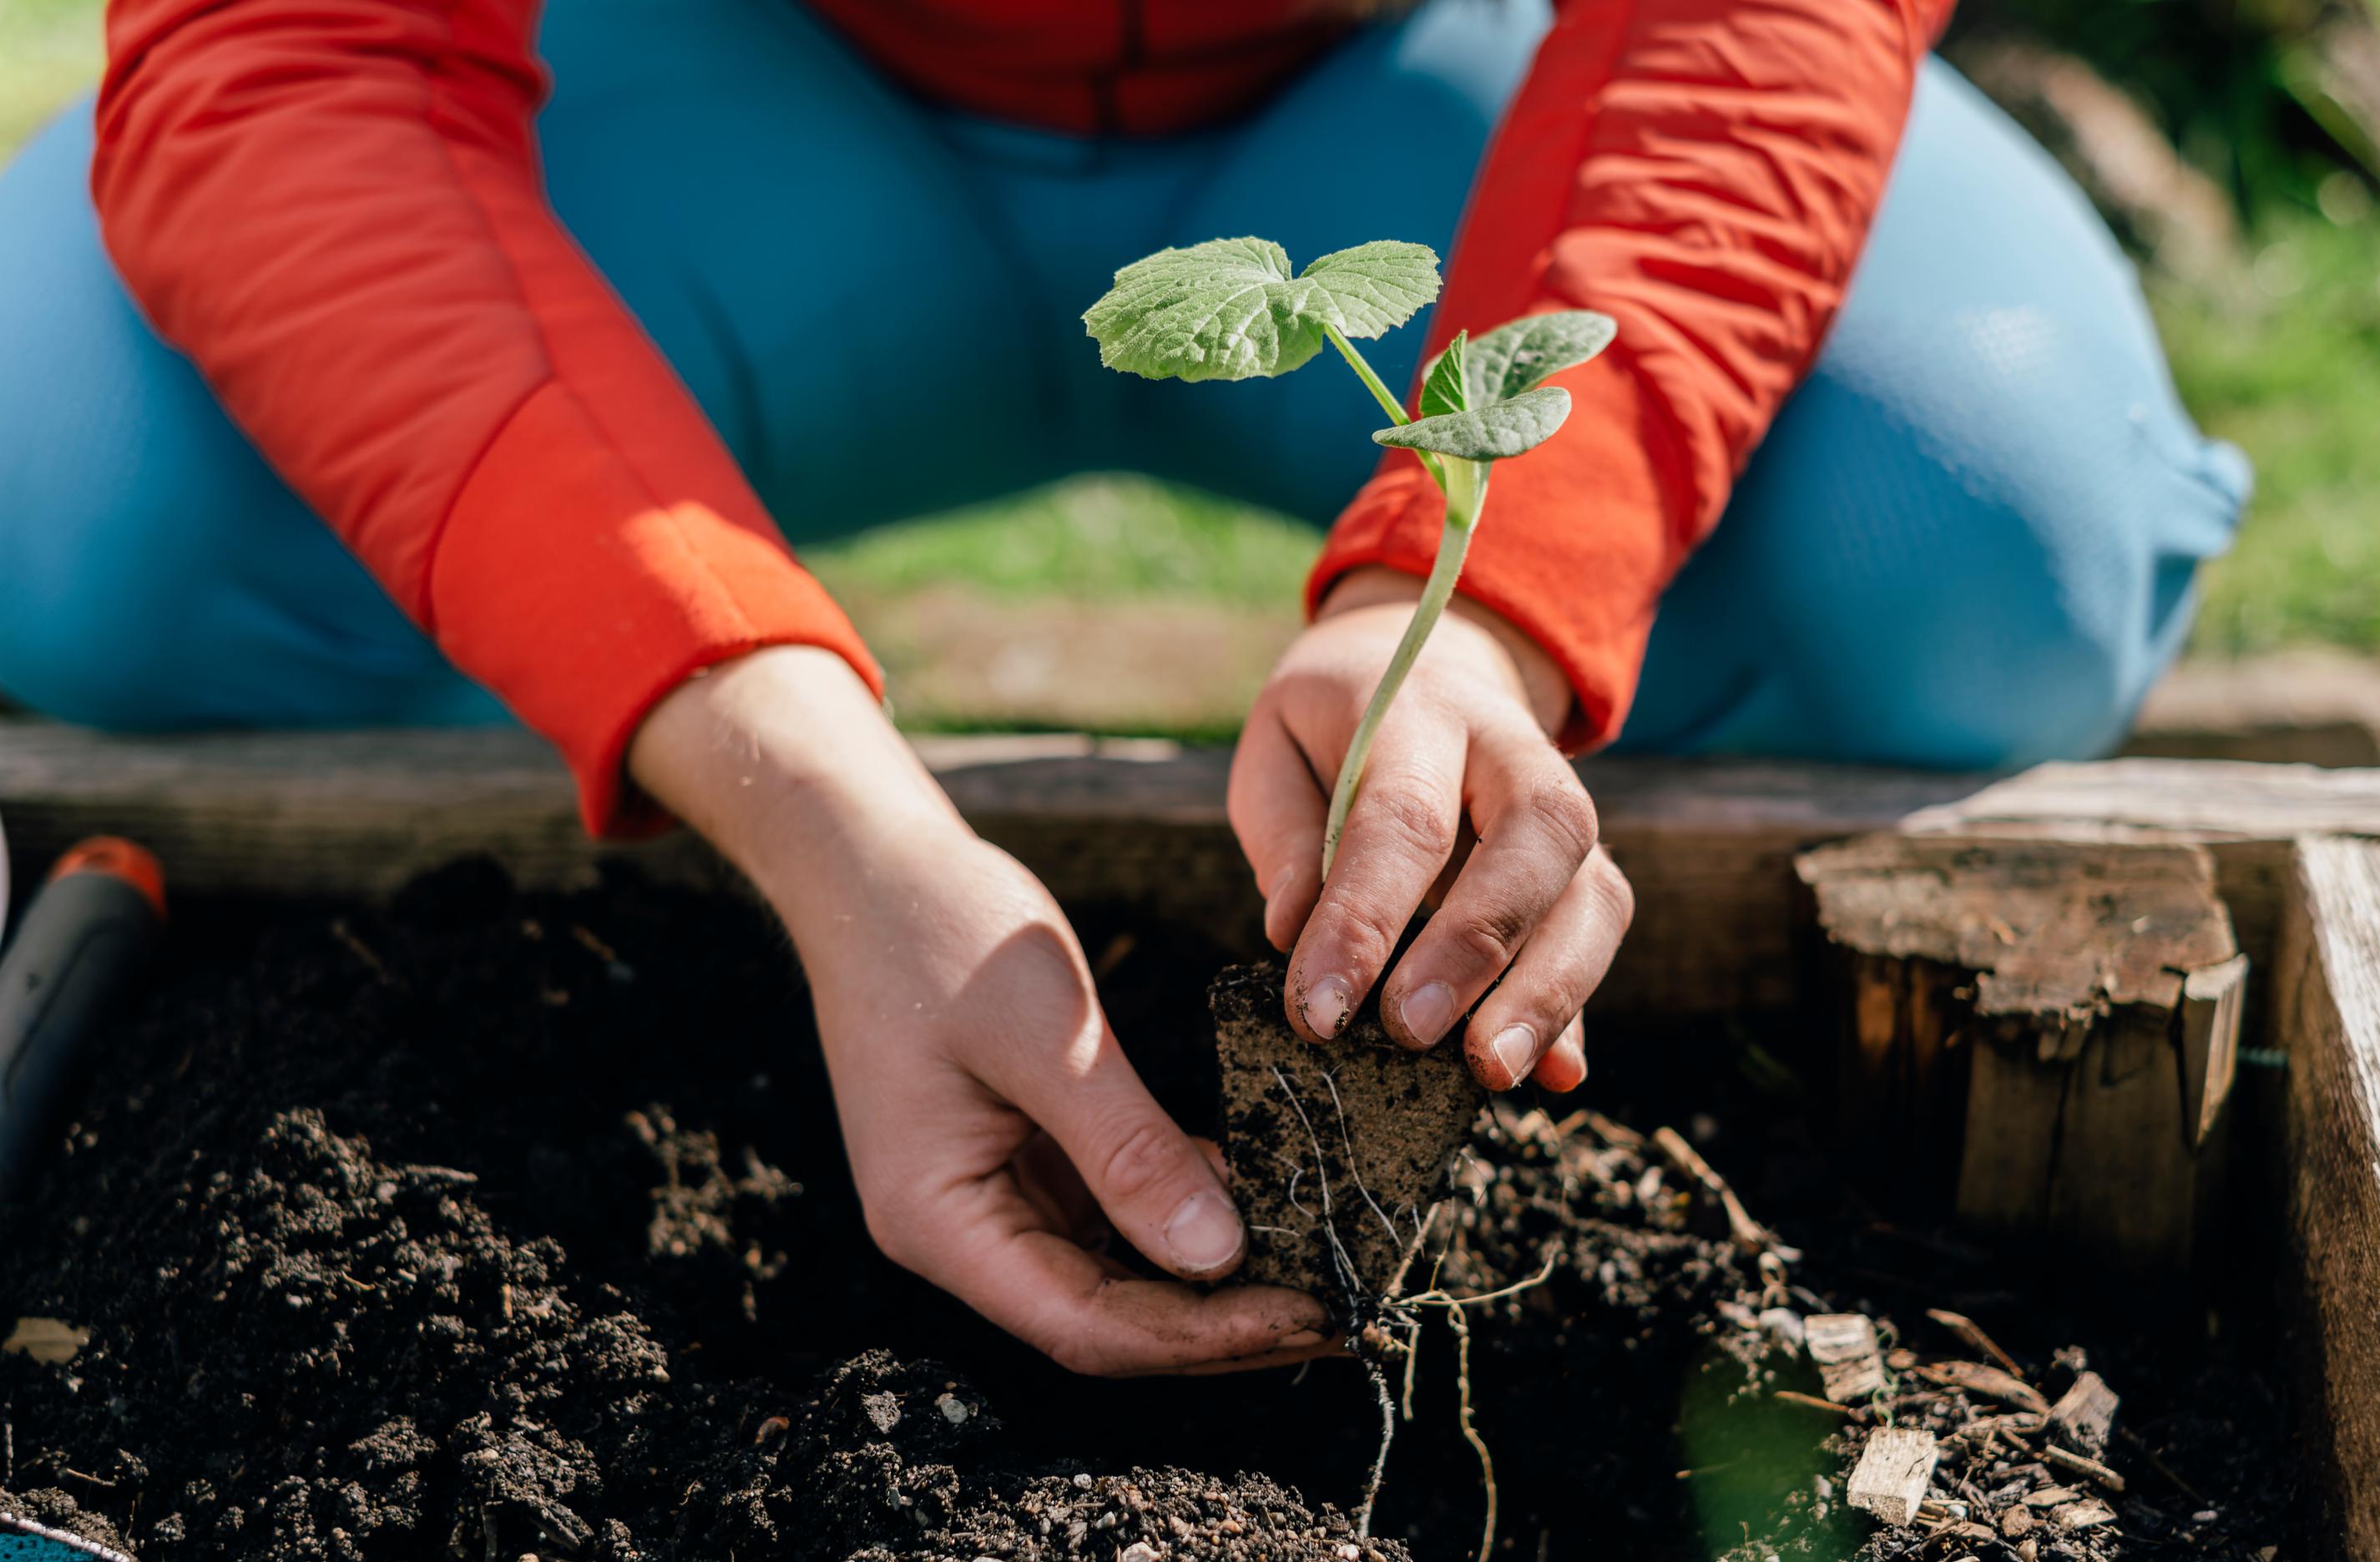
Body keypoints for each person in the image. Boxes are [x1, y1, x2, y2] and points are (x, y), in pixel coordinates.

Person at [0, 0, 2247, 1377]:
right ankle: (497, 920)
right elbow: (291, 59)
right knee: (74, 495)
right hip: (731, 103)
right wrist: (793, 784)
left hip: (1399, 102)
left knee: (1984, 541)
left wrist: (1480, 599)